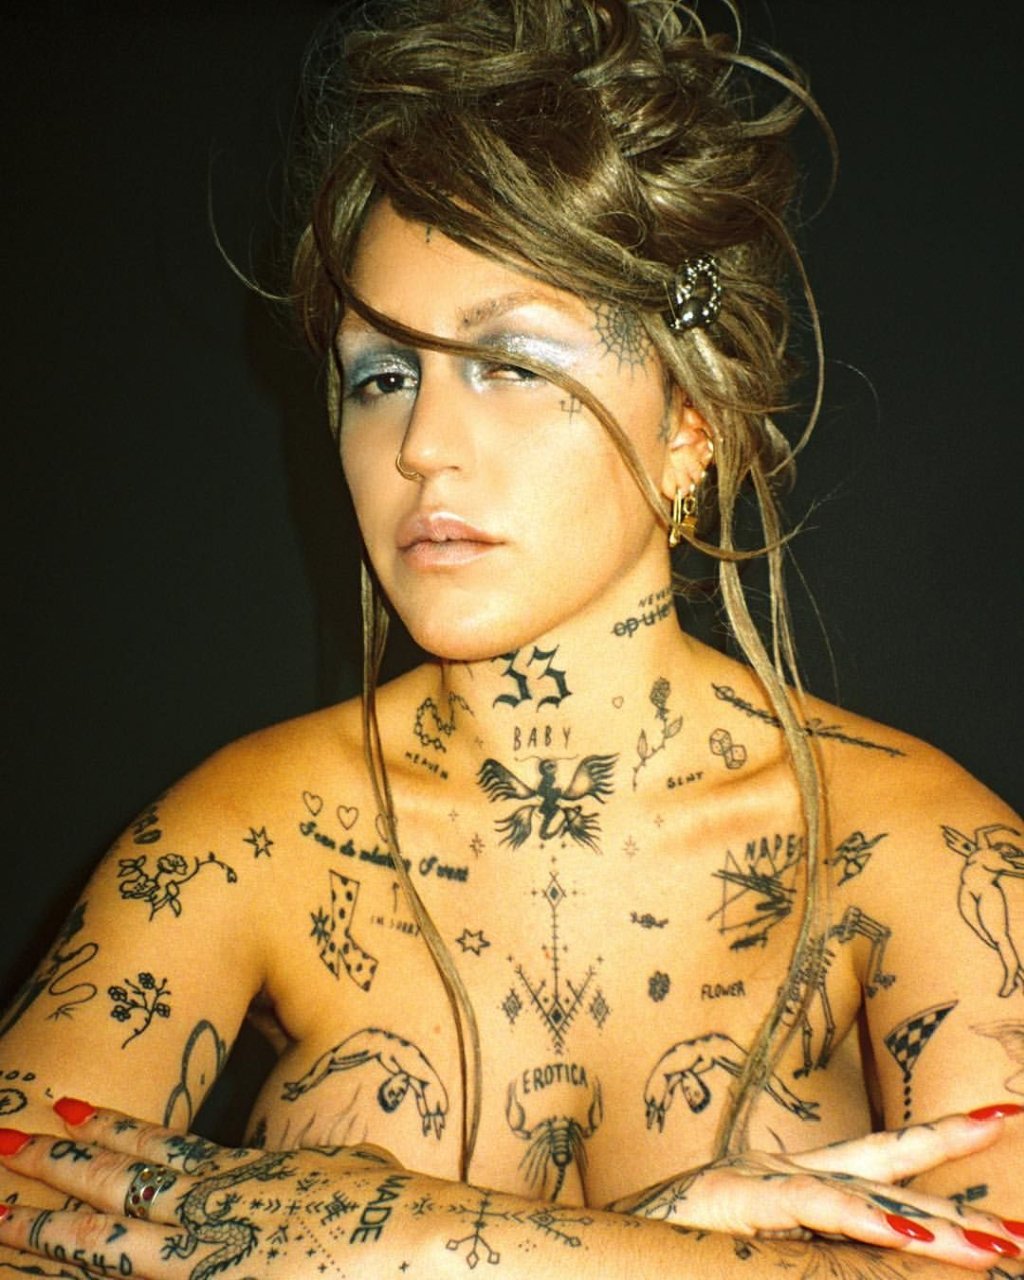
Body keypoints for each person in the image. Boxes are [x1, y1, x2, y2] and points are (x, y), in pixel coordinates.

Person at [0, 1, 1021, 1276]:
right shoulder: (247, 837)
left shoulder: (915, 852)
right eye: (383, 375)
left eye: (512, 364)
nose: (421, 445)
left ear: (690, 421)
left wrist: (410, 1237)